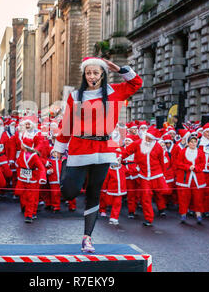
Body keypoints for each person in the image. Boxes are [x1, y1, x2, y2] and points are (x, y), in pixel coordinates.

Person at [52, 57, 143, 253]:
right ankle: (66, 170)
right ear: (84, 75)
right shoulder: (75, 96)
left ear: (102, 74)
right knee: (70, 192)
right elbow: (67, 124)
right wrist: (60, 147)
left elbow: (136, 83)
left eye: (96, 72)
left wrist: (119, 69)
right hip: (79, 148)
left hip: (103, 151)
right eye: (88, 73)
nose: (92, 76)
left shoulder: (115, 92)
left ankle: (87, 238)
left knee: (94, 194)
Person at [175, 135, 207, 224]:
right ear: (188, 143)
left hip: (197, 179)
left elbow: (203, 164)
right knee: (183, 197)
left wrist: (196, 167)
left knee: (198, 198)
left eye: (195, 142)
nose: (193, 144)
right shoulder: (183, 152)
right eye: (191, 142)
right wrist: (188, 167)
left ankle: (198, 215)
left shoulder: (200, 152)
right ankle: (183, 214)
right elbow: (178, 163)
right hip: (185, 179)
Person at [15, 136, 47, 223]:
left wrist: (42, 178)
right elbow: (18, 164)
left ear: (24, 146)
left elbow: (41, 168)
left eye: (22, 144)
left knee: (31, 197)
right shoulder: (22, 153)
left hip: (32, 179)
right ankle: (30, 211)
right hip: (23, 178)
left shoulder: (34, 156)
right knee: (23, 194)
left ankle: (29, 215)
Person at [101, 152, 127, 225]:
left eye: (119, 160)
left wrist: (137, 169)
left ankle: (114, 218)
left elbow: (128, 172)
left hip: (120, 191)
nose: (117, 162)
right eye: (116, 161)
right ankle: (103, 210)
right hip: (111, 190)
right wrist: (104, 188)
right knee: (107, 202)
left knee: (117, 204)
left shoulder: (122, 168)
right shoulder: (109, 170)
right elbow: (106, 180)